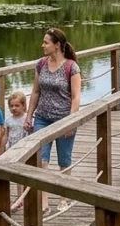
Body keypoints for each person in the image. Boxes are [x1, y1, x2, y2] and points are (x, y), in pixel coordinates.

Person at [21, 27, 81, 214]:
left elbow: (76, 97)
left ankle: (64, 199)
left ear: (57, 45)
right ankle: (44, 202)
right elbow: (36, 92)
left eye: (46, 42)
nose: (43, 45)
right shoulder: (41, 64)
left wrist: (70, 122)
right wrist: (29, 115)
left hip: (63, 120)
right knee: (41, 161)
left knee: (64, 160)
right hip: (42, 119)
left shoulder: (71, 67)